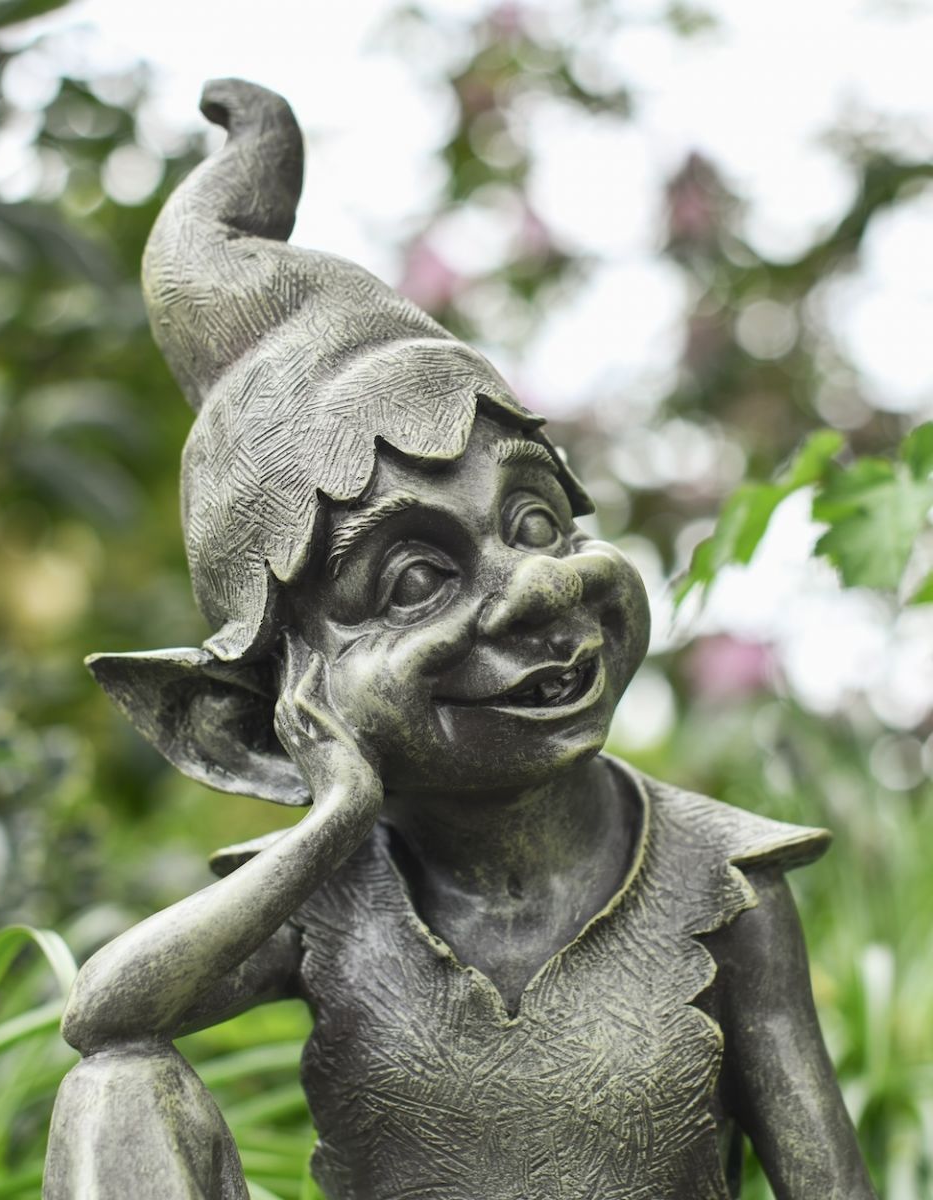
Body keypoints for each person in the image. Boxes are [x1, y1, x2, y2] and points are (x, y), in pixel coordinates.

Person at [43, 80, 876, 1200]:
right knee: (119, 1089)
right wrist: (329, 818)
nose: (533, 590)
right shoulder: (331, 896)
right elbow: (105, 1017)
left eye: (536, 520)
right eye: (417, 579)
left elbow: (827, 1179)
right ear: (254, 727)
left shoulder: (719, 882)